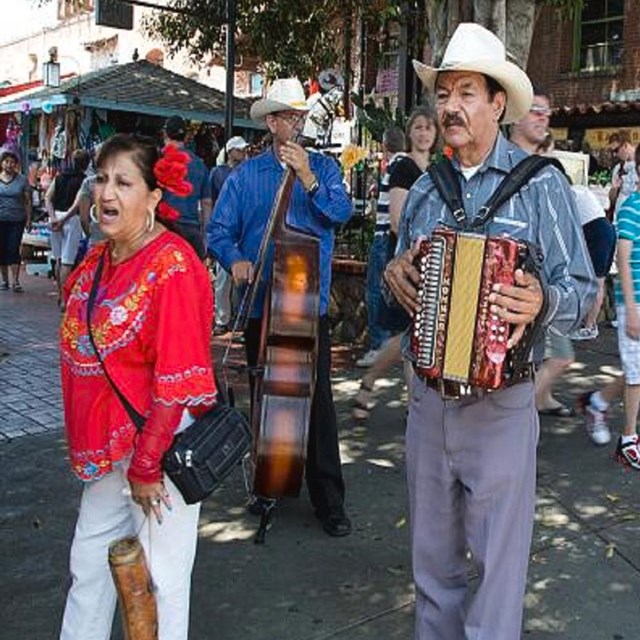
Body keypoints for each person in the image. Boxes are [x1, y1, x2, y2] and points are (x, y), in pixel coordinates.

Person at [384, 23, 596, 639]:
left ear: (498, 104)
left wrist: (542, 299)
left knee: (499, 578)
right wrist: (396, 279)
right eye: (445, 92)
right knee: (432, 572)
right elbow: (401, 284)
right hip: (427, 403)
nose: (450, 106)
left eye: (467, 92)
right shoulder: (426, 190)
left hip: (502, 406)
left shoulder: (541, 186)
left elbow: (581, 292)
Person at [58, 134, 217, 640]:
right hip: (109, 450)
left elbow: (177, 379)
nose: (107, 193)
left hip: (158, 453)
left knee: (161, 583)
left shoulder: (172, 266)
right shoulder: (98, 260)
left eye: (123, 182)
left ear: (153, 198)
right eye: (102, 179)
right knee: (88, 568)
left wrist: (148, 464)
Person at [207, 78, 353, 537]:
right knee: (266, 398)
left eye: (300, 116)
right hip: (261, 309)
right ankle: (269, 483)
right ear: (271, 123)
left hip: (307, 307)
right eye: (288, 116)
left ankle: (329, 501)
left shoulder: (325, 169)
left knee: (319, 403)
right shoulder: (246, 176)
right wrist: (237, 261)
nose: (296, 123)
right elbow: (219, 234)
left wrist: (308, 177)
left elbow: (340, 213)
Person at [353, 106, 439, 419]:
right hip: (401, 254)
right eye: (418, 126)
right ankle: (388, 390)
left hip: (422, 255)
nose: (424, 132)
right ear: (409, 131)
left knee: (412, 332)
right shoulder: (404, 166)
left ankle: (407, 399)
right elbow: (398, 220)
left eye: (429, 127)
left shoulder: (431, 170)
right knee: (409, 332)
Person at [510, 90, 578, 417]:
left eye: (546, 113)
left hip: (545, 296)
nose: (543, 118)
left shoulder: (550, 174)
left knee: (553, 359)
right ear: (514, 114)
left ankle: (528, 412)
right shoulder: (495, 167)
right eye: (535, 111)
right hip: (510, 302)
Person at [581, 147, 640, 468]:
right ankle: (628, 439)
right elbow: (624, 260)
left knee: (637, 373)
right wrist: (630, 308)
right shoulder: (632, 208)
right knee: (636, 375)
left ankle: (597, 401)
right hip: (635, 303)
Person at [355, 126, 406, 368]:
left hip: (384, 236)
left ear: (385, 146)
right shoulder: (404, 167)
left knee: (375, 290)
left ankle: (379, 345)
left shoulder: (396, 168)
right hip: (390, 237)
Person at [209, 135, 249, 335]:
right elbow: (210, 200)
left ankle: (241, 318)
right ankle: (221, 318)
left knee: (243, 279)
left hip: (243, 230)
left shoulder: (248, 172)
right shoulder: (218, 173)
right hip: (226, 230)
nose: (242, 153)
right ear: (230, 151)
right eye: (239, 149)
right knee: (223, 278)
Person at [162, 115, 213, 259]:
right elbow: (206, 203)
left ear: (165, 133)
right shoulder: (199, 164)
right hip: (191, 230)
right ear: (185, 137)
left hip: (166, 228)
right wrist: (205, 236)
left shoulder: (159, 161)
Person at [45, 149, 90, 307]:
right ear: (86, 163)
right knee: (67, 261)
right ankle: (65, 299)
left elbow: (48, 198)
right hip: (72, 219)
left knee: (58, 259)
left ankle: (59, 293)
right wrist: (64, 219)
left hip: (56, 217)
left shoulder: (59, 177)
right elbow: (78, 204)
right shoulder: (84, 181)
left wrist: (53, 217)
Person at [0, 149, 31, 292]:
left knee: (13, 249)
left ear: (16, 165)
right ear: (2, 163)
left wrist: (29, 219)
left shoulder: (22, 180)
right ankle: (4, 281)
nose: (9, 165)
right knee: (2, 250)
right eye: (6, 161)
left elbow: (27, 201)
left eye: (12, 162)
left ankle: (16, 281)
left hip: (17, 220)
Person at [608, 130, 637, 219]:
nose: (615, 154)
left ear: (625, 145)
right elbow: (612, 200)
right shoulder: (618, 169)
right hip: (619, 221)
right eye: (612, 151)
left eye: (616, 150)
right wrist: (614, 189)